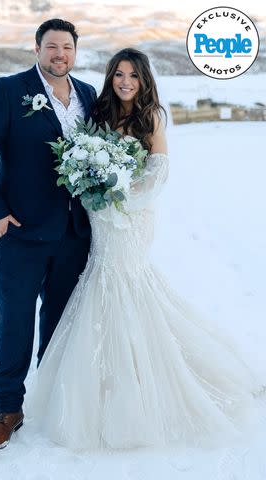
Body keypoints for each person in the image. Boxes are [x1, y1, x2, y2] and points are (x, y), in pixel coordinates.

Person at [28, 48, 261, 450]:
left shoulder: (150, 115)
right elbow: (85, 159)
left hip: (133, 215)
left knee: (126, 280)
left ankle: (152, 380)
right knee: (101, 279)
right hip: (101, 216)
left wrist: (123, 196)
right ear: (110, 77)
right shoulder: (98, 112)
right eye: (118, 74)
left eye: (133, 76)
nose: (125, 82)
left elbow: (158, 171)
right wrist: (94, 189)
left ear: (144, 79)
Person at [0, 19, 97, 453]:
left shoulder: (88, 95)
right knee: (16, 322)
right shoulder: (7, 90)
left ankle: (52, 398)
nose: (60, 54)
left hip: (74, 233)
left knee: (61, 323)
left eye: (67, 47)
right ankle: (6, 409)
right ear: (37, 49)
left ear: (76, 52)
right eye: (52, 46)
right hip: (19, 231)